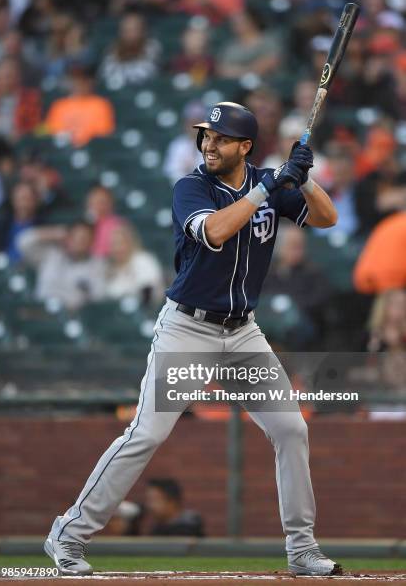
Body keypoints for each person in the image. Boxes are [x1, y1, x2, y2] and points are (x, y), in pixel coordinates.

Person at [44, 101, 340, 577]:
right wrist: (267, 187)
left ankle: (302, 548)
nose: (209, 144)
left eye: (221, 139)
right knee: (146, 434)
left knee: (291, 428)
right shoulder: (191, 186)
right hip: (189, 329)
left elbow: (326, 219)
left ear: (245, 146)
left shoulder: (266, 181)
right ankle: (68, 535)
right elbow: (216, 231)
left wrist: (303, 178)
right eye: (206, 136)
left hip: (243, 332)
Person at [18, 221, 105, 310]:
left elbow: (98, 296)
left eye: (83, 239)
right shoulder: (51, 254)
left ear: (91, 242)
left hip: (70, 316)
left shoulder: (97, 264)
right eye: (74, 237)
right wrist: (55, 233)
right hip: (40, 311)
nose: (78, 242)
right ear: (67, 237)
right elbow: (23, 242)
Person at [45, 64, 115, 147]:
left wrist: (80, 138)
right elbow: (53, 131)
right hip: (64, 149)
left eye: (84, 80)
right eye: (76, 80)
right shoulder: (59, 105)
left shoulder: (101, 104)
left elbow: (104, 133)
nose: (80, 84)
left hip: (92, 150)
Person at [99, 11, 161, 89]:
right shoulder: (112, 49)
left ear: (143, 32)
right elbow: (106, 74)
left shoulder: (152, 47)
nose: (129, 35)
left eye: (134, 30)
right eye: (125, 31)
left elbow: (144, 75)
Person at [105, 222, 164, 304]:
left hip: (147, 312)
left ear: (130, 242)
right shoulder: (110, 270)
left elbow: (148, 294)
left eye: (121, 243)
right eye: (114, 244)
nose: (117, 248)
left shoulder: (143, 260)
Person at [0, 57, 41, 141]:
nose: (4, 81)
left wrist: (21, 133)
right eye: (0, 78)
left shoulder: (30, 98)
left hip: (18, 142)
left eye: (8, 77)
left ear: (18, 78)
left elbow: (35, 125)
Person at [85, 185, 123, 258]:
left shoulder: (118, 224)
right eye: (95, 199)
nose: (98, 203)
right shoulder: (83, 222)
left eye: (102, 200)